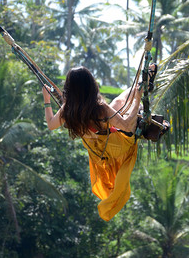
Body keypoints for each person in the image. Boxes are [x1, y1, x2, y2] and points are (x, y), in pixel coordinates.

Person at [42, 66, 151, 221]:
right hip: (117, 147)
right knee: (124, 103)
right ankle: (139, 87)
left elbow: (51, 125)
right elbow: (127, 126)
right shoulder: (100, 107)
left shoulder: (68, 109)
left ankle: (139, 85)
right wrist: (138, 98)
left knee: (119, 101)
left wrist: (47, 100)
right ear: (91, 86)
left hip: (98, 153)